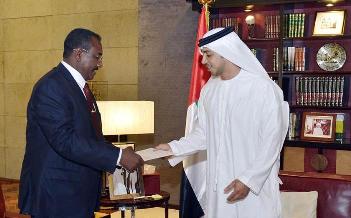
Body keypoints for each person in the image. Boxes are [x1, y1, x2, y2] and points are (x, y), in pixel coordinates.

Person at [156, 27, 289, 218]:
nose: (203, 61)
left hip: (253, 189)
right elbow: (203, 134)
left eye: (208, 55)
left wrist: (248, 180)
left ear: (227, 52)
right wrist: (172, 148)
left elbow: (272, 142)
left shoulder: (263, 88)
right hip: (219, 188)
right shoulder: (210, 89)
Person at [18, 28, 144, 218]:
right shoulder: (50, 86)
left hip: (76, 194)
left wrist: (118, 154)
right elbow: (65, 140)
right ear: (78, 54)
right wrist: (118, 156)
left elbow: (91, 136)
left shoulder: (80, 87)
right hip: (56, 196)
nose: (100, 64)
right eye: (97, 57)